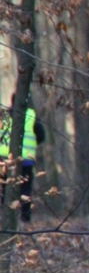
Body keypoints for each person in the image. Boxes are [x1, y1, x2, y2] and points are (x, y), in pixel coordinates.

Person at [0, 94, 46, 223]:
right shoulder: (31, 116)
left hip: (4, 160)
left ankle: (6, 218)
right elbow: (41, 136)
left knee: (5, 189)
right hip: (25, 160)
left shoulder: (3, 116)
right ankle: (25, 219)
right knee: (25, 190)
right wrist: (31, 146)